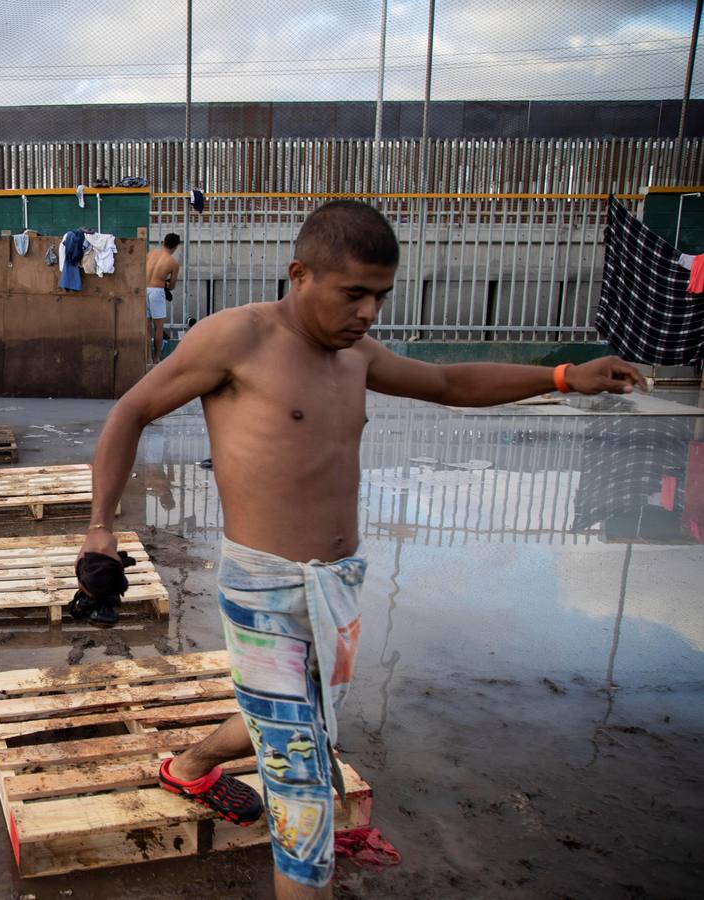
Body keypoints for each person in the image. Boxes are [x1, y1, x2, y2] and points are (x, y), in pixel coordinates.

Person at [77, 200, 644, 899]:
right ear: (300, 275)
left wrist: (561, 377)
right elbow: (131, 409)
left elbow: (447, 383)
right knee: (304, 792)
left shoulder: (356, 357)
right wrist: (100, 524)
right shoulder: (238, 340)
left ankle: (189, 767)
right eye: (355, 294)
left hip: (337, 587)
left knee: (297, 718)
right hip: (262, 593)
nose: (370, 313)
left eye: (381, 296)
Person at [146, 233, 182, 364]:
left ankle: (147, 358)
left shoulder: (150, 254)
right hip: (157, 292)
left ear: (163, 242)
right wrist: (166, 283)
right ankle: (156, 358)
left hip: (144, 290)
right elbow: (171, 286)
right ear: (176, 246)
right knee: (158, 328)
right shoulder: (173, 263)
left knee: (147, 327)